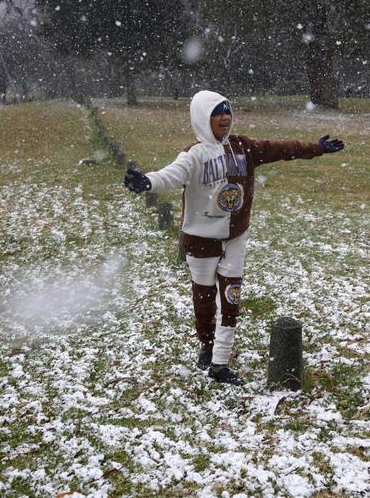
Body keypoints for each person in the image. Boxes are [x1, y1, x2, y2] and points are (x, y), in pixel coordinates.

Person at [124, 90, 345, 385]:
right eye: (217, 112)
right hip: (201, 240)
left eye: (227, 110)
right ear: (203, 118)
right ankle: (207, 346)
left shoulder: (244, 148)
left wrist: (315, 148)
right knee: (203, 300)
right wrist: (148, 181)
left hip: (236, 237)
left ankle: (220, 364)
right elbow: (172, 174)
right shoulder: (194, 155)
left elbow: (280, 148)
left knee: (231, 298)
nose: (225, 117)